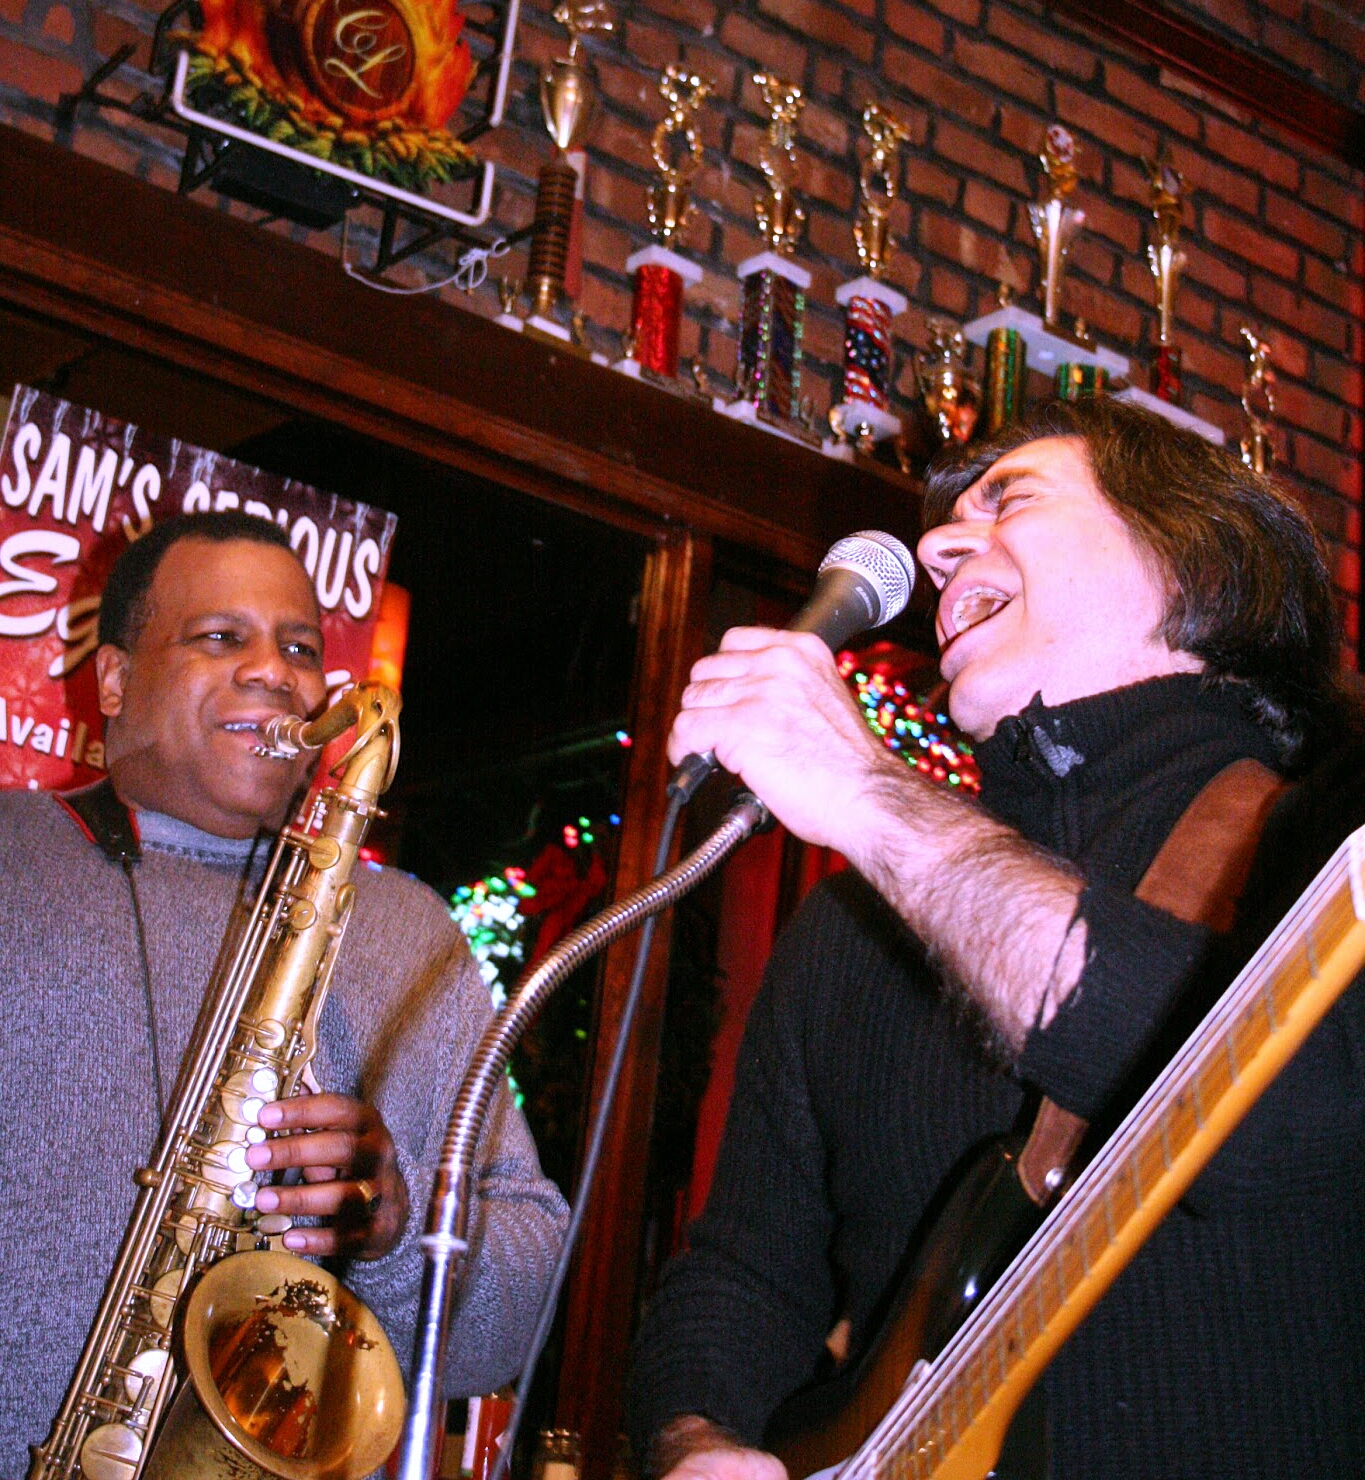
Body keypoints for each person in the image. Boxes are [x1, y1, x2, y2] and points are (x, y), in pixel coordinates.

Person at [627, 397, 1365, 1479]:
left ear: (1188, 554)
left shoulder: (1329, 828)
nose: (933, 548)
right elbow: (743, 1271)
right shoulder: (848, 932)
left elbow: (1286, 1122)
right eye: (942, 525)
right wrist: (698, 1437)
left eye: (1010, 497)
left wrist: (871, 797)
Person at [0, 511, 568, 1474]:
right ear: (114, 680)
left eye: (300, 646)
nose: (277, 673)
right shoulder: (15, 857)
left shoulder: (408, 928)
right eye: (220, 637)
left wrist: (393, 1233)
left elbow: (519, 1305)